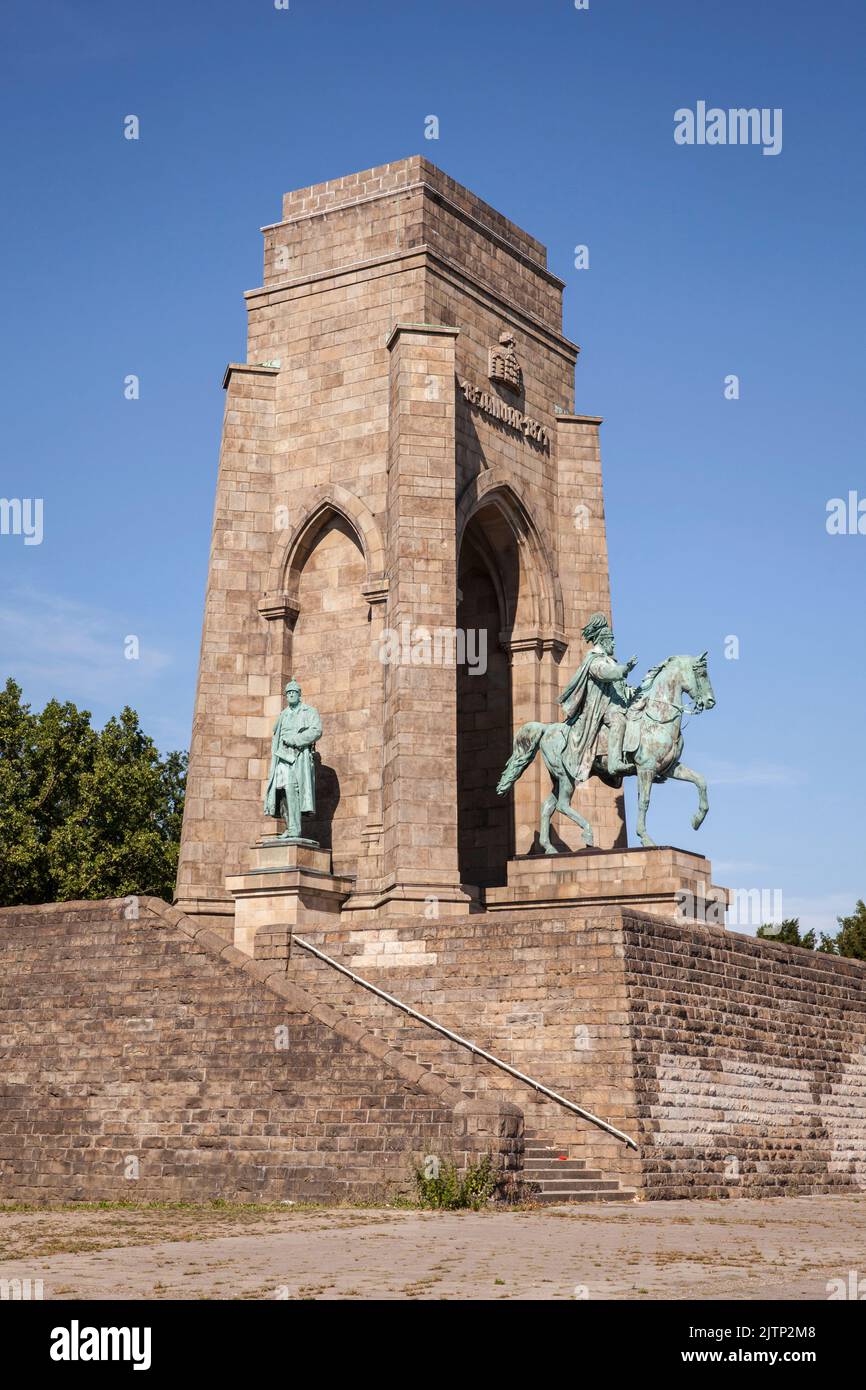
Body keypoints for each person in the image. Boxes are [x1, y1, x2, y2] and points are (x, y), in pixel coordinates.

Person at [558, 612, 637, 781]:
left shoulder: (609, 660)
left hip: (615, 704)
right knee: (619, 721)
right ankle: (614, 762)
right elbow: (604, 673)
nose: (614, 643)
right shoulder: (594, 660)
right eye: (612, 640)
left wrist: (632, 692)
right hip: (601, 708)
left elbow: (619, 687)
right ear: (604, 641)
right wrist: (624, 669)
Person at [263, 679, 322, 840]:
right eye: (288, 693)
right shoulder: (283, 714)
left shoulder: (309, 711)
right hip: (281, 758)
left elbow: (316, 730)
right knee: (281, 792)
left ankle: (295, 829)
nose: (290, 695)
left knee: (291, 790)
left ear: (299, 695)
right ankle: (289, 827)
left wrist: (295, 739)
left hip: (298, 759)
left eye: (293, 693)